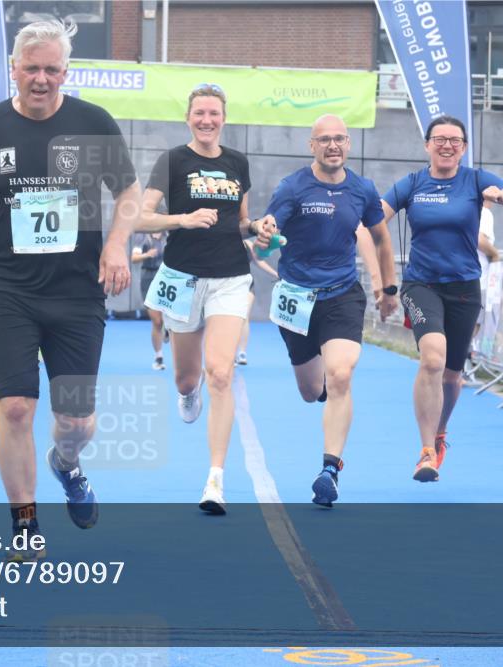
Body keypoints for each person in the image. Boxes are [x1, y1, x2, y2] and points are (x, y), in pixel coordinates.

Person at [0, 19, 140, 558]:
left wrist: (117, 244)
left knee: (75, 420)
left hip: (77, 293)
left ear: (65, 71)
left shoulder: (91, 123)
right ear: (14, 69)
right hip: (11, 289)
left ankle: (67, 463)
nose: (42, 79)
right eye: (32, 69)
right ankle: (25, 523)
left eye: (52, 69)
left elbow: (128, 192)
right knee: (15, 409)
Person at [379, 115, 503, 483]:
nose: (447, 145)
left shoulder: (476, 180)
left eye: (455, 140)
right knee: (432, 358)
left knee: (453, 376)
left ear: (464, 147)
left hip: (465, 288)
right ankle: (425, 452)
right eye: (440, 139)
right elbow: (375, 218)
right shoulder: (412, 184)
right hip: (421, 285)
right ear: (427, 145)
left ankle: (440, 435)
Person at [253, 114, 398, 507]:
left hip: (341, 295)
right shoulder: (292, 187)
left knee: (341, 373)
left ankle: (329, 470)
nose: (333, 145)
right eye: (324, 140)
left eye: (340, 139)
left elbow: (382, 239)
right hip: (296, 299)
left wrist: (388, 287)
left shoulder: (362, 190)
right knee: (310, 390)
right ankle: (325, 392)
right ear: (311, 145)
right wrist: (264, 236)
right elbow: (265, 241)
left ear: (348, 144)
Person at [137, 83, 255, 515]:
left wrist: (258, 227)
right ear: (188, 117)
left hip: (230, 277)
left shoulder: (238, 162)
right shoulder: (172, 161)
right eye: (199, 113)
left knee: (220, 372)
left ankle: (215, 479)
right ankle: (188, 393)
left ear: (224, 117)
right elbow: (140, 217)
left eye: (214, 113)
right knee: (189, 379)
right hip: (183, 278)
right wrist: (182, 219)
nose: (207, 120)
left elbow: (240, 223)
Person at [235, 237, 280, 365]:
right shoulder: (221, 244)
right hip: (225, 286)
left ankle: (242, 353)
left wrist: (276, 274)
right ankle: (228, 353)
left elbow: (258, 262)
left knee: (244, 317)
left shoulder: (247, 244)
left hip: (246, 285)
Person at [131, 231, 167, 370]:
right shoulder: (142, 236)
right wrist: (147, 255)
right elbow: (134, 258)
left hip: (166, 278)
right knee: (157, 321)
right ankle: (158, 357)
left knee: (167, 319)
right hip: (147, 279)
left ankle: (167, 329)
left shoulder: (168, 235)